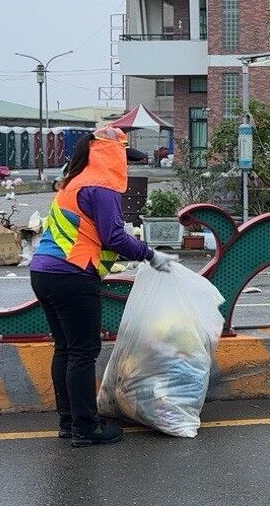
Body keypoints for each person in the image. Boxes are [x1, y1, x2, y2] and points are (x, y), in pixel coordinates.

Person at [31, 126, 180, 447]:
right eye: (125, 158)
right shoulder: (102, 186)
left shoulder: (74, 181)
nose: (127, 165)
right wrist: (152, 255)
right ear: (111, 155)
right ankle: (85, 428)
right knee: (83, 352)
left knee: (65, 348)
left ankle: (69, 421)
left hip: (44, 272)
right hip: (72, 274)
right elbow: (113, 237)